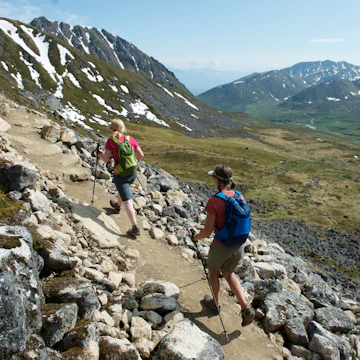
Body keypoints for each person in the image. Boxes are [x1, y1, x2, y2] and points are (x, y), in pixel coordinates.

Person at [193, 164, 255, 327]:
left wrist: (196, 237)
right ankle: (245, 307)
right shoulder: (239, 196)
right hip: (239, 246)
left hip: (221, 245)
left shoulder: (214, 201)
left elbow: (207, 231)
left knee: (213, 272)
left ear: (218, 180)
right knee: (228, 273)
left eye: (213, 177)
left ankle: (216, 303)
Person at [96, 118, 144, 236]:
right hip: (132, 174)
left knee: (128, 201)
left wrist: (99, 153)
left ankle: (135, 227)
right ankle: (117, 206)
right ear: (123, 128)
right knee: (123, 190)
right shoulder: (130, 139)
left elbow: (106, 159)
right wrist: (132, 165)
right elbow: (141, 155)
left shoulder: (110, 141)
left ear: (112, 128)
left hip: (120, 175)